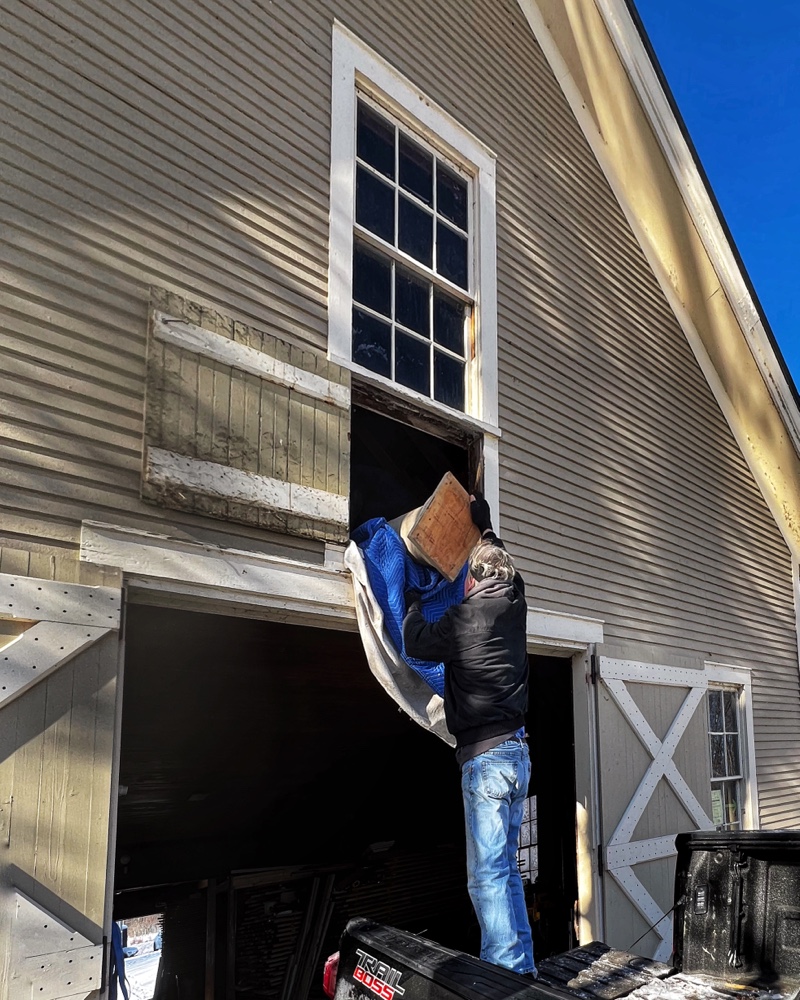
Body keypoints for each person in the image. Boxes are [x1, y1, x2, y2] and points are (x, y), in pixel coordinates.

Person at [402, 494, 535, 978]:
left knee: (487, 878)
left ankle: (504, 978)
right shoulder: (515, 605)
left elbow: (415, 641)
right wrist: (486, 527)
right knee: (506, 874)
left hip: (486, 761)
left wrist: (413, 601)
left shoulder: (462, 621)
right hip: (518, 755)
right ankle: (521, 972)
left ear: (472, 581)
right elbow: (509, 570)